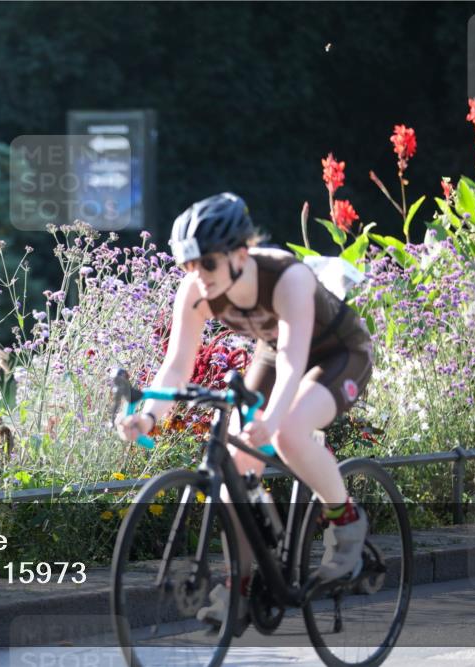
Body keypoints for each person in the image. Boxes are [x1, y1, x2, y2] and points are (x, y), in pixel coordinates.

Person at [115, 192, 373, 627]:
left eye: (208, 264)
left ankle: (345, 522)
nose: (198, 278)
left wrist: (271, 419)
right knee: (234, 463)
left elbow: (295, 359)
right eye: (188, 267)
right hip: (274, 355)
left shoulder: (285, 276)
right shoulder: (197, 291)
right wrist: (147, 415)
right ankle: (242, 584)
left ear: (241, 253)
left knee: (288, 432)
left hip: (337, 353)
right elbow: (176, 366)